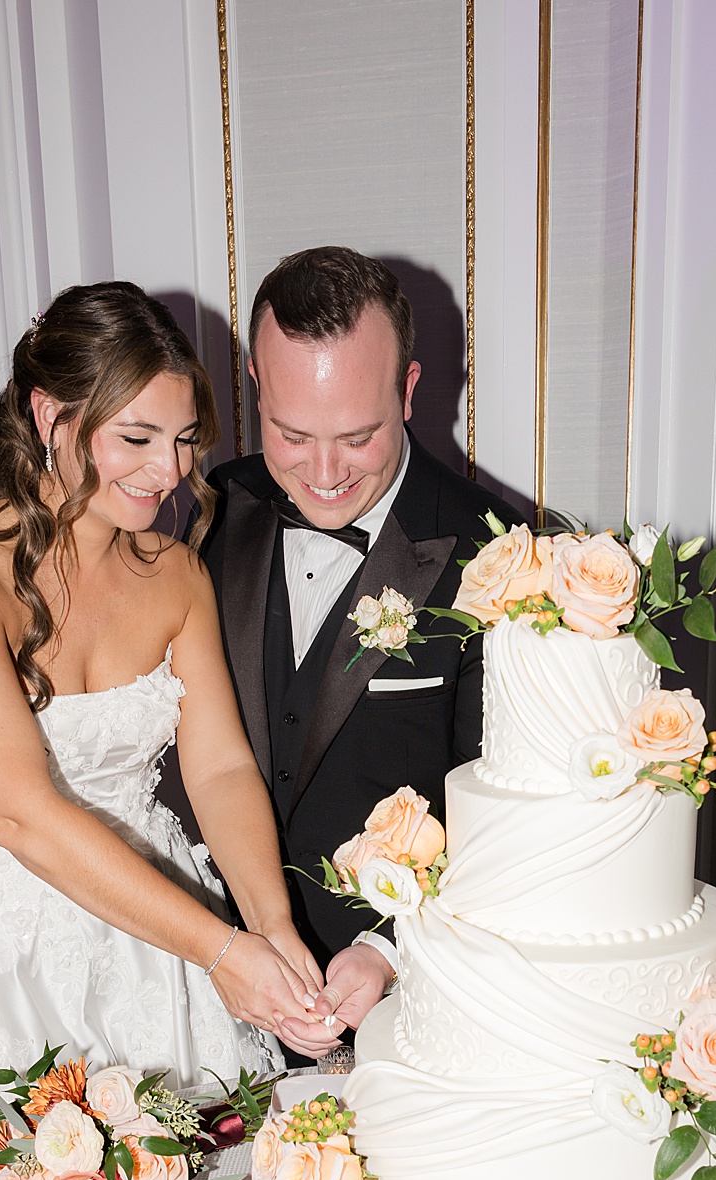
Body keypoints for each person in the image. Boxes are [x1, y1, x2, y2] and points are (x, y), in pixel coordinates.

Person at [0, 282, 323, 1180]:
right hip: (6, 954)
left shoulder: (173, 571)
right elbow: (19, 813)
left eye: (185, 439)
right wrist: (224, 950)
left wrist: (270, 932)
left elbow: (224, 767)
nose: (168, 470)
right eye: (135, 437)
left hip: (164, 945)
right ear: (48, 415)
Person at [190, 247, 514, 1057]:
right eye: (291, 434)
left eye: (358, 436)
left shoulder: (501, 559)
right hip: (197, 992)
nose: (324, 474)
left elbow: (506, 811)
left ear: (407, 390)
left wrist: (389, 948)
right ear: (258, 391)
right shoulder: (207, 511)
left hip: (392, 1021)